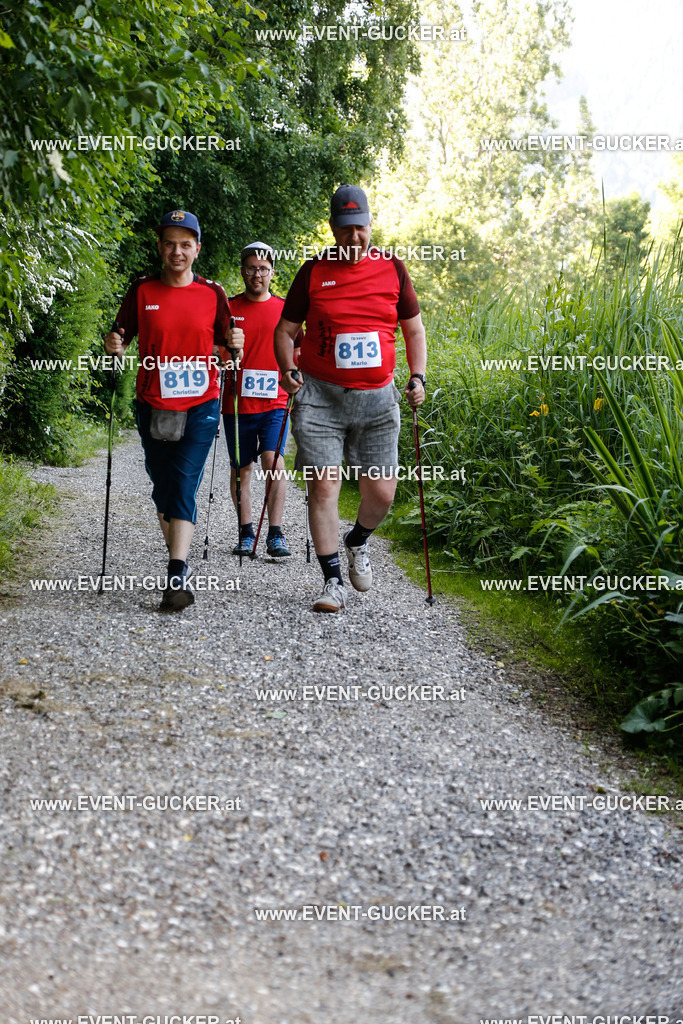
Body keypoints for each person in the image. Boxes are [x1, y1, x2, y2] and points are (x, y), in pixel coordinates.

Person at [274, 185, 427, 612]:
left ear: (371, 225)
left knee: (381, 493)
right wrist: (288, 369)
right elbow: (284, 331)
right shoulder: (312, 272)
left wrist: (418, 376)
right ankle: (332, 581)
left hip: (378, 399)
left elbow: (414, 329)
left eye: (359, 228)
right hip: (321, 397)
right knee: (323, 486)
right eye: (344, 230)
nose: (352, 238)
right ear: (333, 229)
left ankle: (357, 540)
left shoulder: (393, 269)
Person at [103, 209, 244, 611]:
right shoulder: (142, 291)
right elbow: (119, 338)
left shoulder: (212, 294)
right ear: (160, 247)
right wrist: (113, 344)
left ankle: (176, 574)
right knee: (163, 488)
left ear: (197, 249)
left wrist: (236, 345)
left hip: (201, 402)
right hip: (152, 405)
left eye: (185, 244)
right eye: (170, 243)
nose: (177, 251)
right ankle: (176, 561)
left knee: (184, 483)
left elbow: (231, 354)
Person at [223, 242, 301, 558]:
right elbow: (214, 349)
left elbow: (301, 350)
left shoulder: (286, 311)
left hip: (275, 401)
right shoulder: (227, 308)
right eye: (252, 268)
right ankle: (245, 532)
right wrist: (224, 359)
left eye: (264, 269)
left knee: (274, 461)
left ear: (272, 272)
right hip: (237, 403)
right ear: (243, 270)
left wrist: (297, 374)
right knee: (241, 469)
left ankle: (275, 533)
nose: (258, 274)